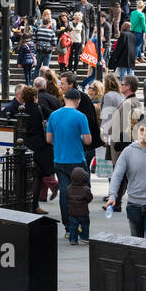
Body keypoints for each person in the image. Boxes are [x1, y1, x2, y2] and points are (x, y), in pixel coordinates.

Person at [47, 88, 92, 243]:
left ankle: (68, 228)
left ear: (65, 99)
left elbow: (48, 139)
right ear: (78, 101)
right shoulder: (81, 117)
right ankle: (81, 227)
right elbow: (87, 140)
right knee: (82, 193)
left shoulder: (53, 115)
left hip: (59, 159)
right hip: (77, 160)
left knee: (65, 194)